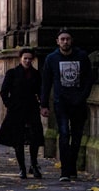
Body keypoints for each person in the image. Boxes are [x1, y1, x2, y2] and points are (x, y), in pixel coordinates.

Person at [40, 29, 94, 183]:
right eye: (62, 39)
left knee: (77, 138)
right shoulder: (51, 59)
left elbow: (88, 79)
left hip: (78, 103)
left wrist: (82, 96)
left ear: (72, 41)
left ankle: (72, 168)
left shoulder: (81, 56)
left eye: (68, 39)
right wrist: (44, 105)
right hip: (61, 103)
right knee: (64, 135)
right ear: (57, 41)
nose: (65, 42)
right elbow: (46, 83)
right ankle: (65, 171)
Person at [0, 47, 44, 179]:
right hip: (16, 109)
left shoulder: (36, 74)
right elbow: (4, 91)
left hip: (32, 108)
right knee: (18, 139)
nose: (27, 61)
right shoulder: (12, 73)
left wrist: (42, 104)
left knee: (34, 138)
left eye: (30, 59)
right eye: (25, 58)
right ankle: (22, 167)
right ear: (20, 59)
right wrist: (9, 104)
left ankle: (34, 164)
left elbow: (40, 91)